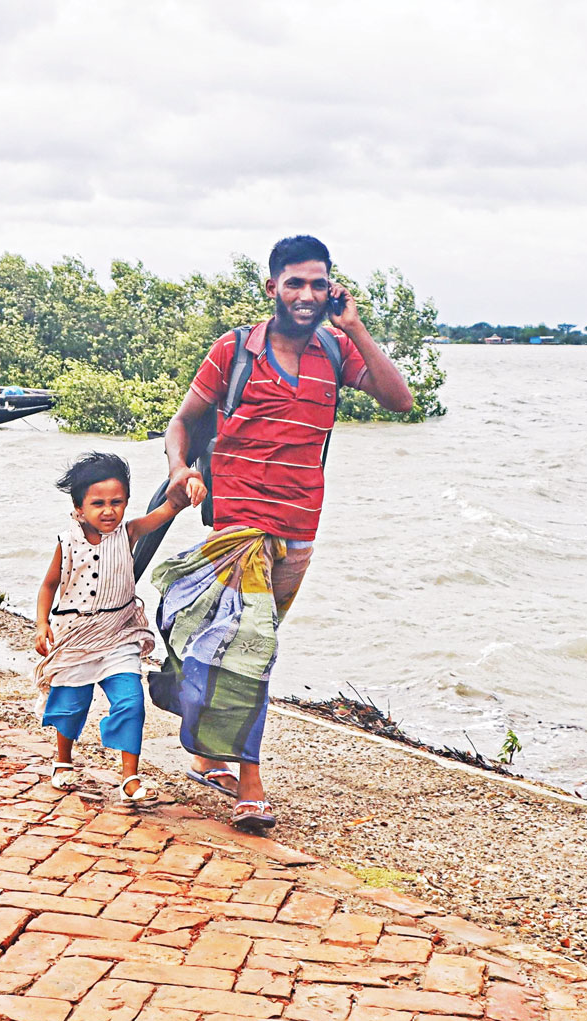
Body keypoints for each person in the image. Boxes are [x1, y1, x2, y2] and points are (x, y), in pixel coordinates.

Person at [150, 235, 414, 832]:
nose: (306, 295)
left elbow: (400, 401)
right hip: (238, 525)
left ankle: (205, 750)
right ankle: (250, 785)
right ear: (272, 286)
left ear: (332, 289)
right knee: (255, 651)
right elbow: (182, 422)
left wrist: (356, 328)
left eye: (319, 284)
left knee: (232, 651)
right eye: (294, 283)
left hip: (300, 527)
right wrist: (180, 469)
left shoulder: (336, 350)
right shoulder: (234, 349)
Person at [33, 452, 190, 805]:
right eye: (98, 503)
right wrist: (42, 624)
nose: (108, 511)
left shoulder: (129, 532)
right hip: (76, 637)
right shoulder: (66, 543)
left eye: (116, 502)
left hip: (119, 633)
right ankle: (62, 760)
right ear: (79, 508)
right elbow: (48, 586)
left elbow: (165, 512)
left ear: (126, 502)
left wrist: (183, 492)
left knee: (131, 702)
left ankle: (129, 779)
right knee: (71, 704)